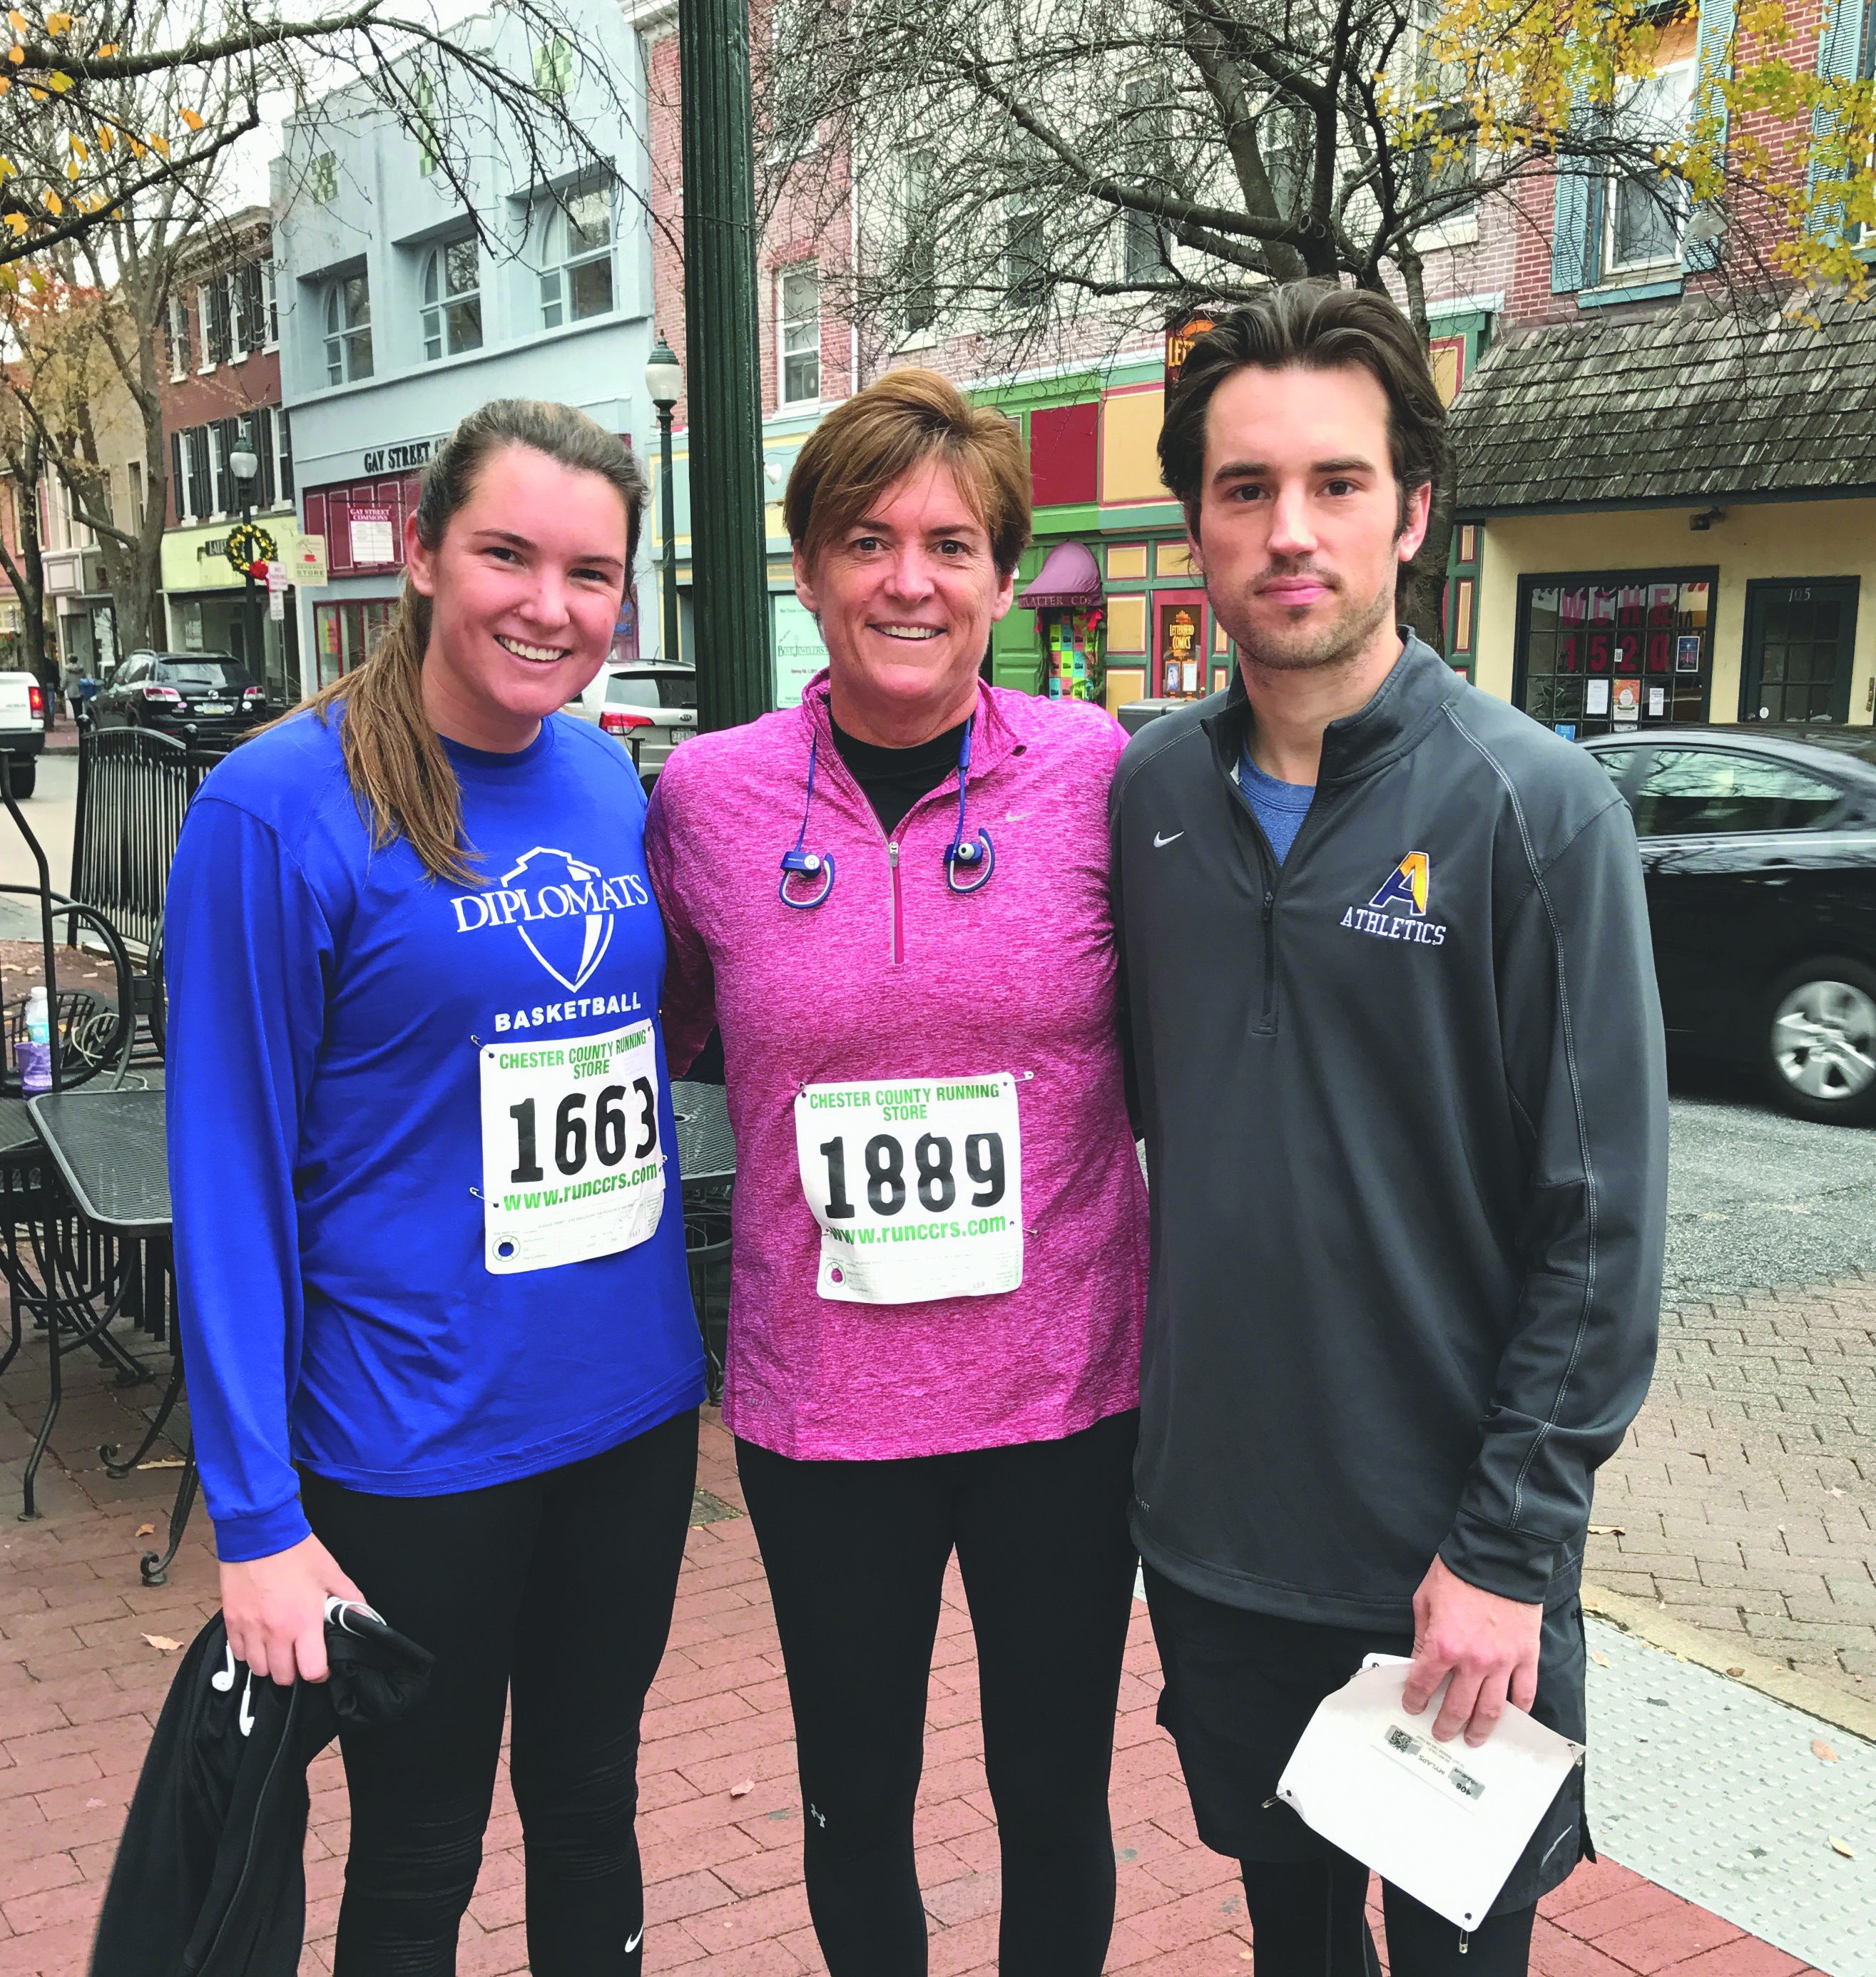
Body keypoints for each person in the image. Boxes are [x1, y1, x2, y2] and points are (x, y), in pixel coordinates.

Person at [1110, 284, 1667, 1977]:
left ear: (1412, 511)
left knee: (1451, 1954)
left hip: (1447, 1561)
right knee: (1289, 1937)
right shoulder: (1147, 801)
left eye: (1337, 484)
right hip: (1217, 1540)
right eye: (1244, 487)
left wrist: (1505, 1549)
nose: (1291, 533)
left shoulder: (1534, 812)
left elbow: (1601, 1226)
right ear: (1195, 518)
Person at [165, 399, 707, 1977]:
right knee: (419, 1847)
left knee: (592, 1803)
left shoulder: (611, 790)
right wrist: (255, 1516)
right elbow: (227, 1175)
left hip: (628, 1415)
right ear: (419, 553)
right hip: (413, 1446)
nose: (552, 606)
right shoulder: (280, 808)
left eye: (592, 573)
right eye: (508, 555)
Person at [646, 367, 1148, 1977]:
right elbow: (640, 1029)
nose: (908, 581)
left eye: (949, 543)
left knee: (1052, 1799)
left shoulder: (1101, 774)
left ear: (1005, 575)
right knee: (852, 1804)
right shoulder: (704, 800)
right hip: (823, 1410)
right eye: (867, 541)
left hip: (1065, 1402)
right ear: (806, 571)